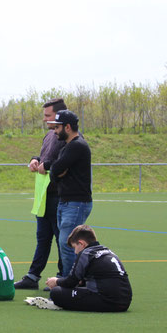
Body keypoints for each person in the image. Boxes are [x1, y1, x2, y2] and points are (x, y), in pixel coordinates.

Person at [15, 98, 67, 290]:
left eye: (48, 115)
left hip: (59, 196)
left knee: (62, 239)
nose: (45, 119)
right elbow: (44, 157)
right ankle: (32, 276)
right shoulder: (49, 135)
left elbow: (65, 162)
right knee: (42, 238)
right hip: (44, 197)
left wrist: (49, 166)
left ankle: (62, 278)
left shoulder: (67, 137)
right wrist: (34, 160)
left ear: (59, 115)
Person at [42, 225, 132, 312]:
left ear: (81, 243)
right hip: (125, 302)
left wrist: (56, 281)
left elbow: (70, 282)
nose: (75, 252)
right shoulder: (108, 251)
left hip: (107, 301)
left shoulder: (86, 253)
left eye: (75, 247)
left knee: (56, 292)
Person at [48, 110, 92, 278]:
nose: (55, 131)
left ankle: (69, 281)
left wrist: (57, 171)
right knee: (65, 242)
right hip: (66, 201)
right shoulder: (67, 146)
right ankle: (68, 279)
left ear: (67, 127)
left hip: (76, 202)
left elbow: (57, 169)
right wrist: (56, 171)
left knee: (68, 244)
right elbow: (55, 171)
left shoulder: (77, 145)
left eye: (57, 127)